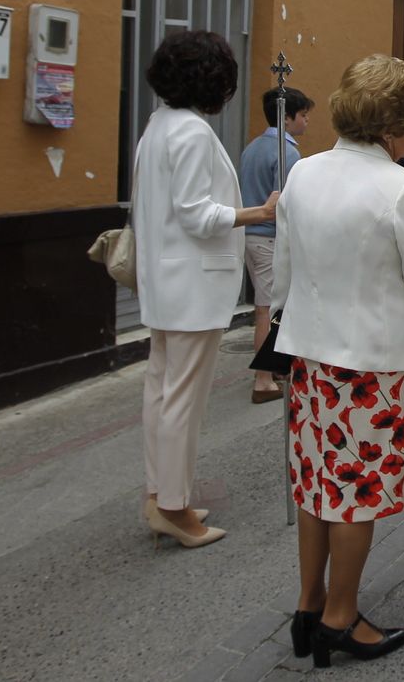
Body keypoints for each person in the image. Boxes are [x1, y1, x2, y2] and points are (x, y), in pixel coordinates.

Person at [272, 54, 404, 667]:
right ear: (389, 128)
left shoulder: (305, 173)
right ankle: (341, 617)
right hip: (373, 363)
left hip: (312, 352)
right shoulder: (400, 187)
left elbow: (286, 266)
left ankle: (309, 602)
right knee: (358, 492)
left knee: (317, 482)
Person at [134, 30, 278, 549]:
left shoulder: (158, 126)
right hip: (190, 284)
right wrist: (258, 212)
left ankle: (160, 494)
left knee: (162, 392)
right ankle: (172, 506)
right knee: (182, 402)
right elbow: (198, 214)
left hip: (165, 281)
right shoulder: (190, 132)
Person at [239, 86, 312, 405]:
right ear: (287, 116)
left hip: (250, 233)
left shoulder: (252, 147)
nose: (307, 122)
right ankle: (263, 378)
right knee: (266, 309)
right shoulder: (287, 152)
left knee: (269, 304)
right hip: (269, 234)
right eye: (304, 116)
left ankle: (276, 367)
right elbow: (287, 202)